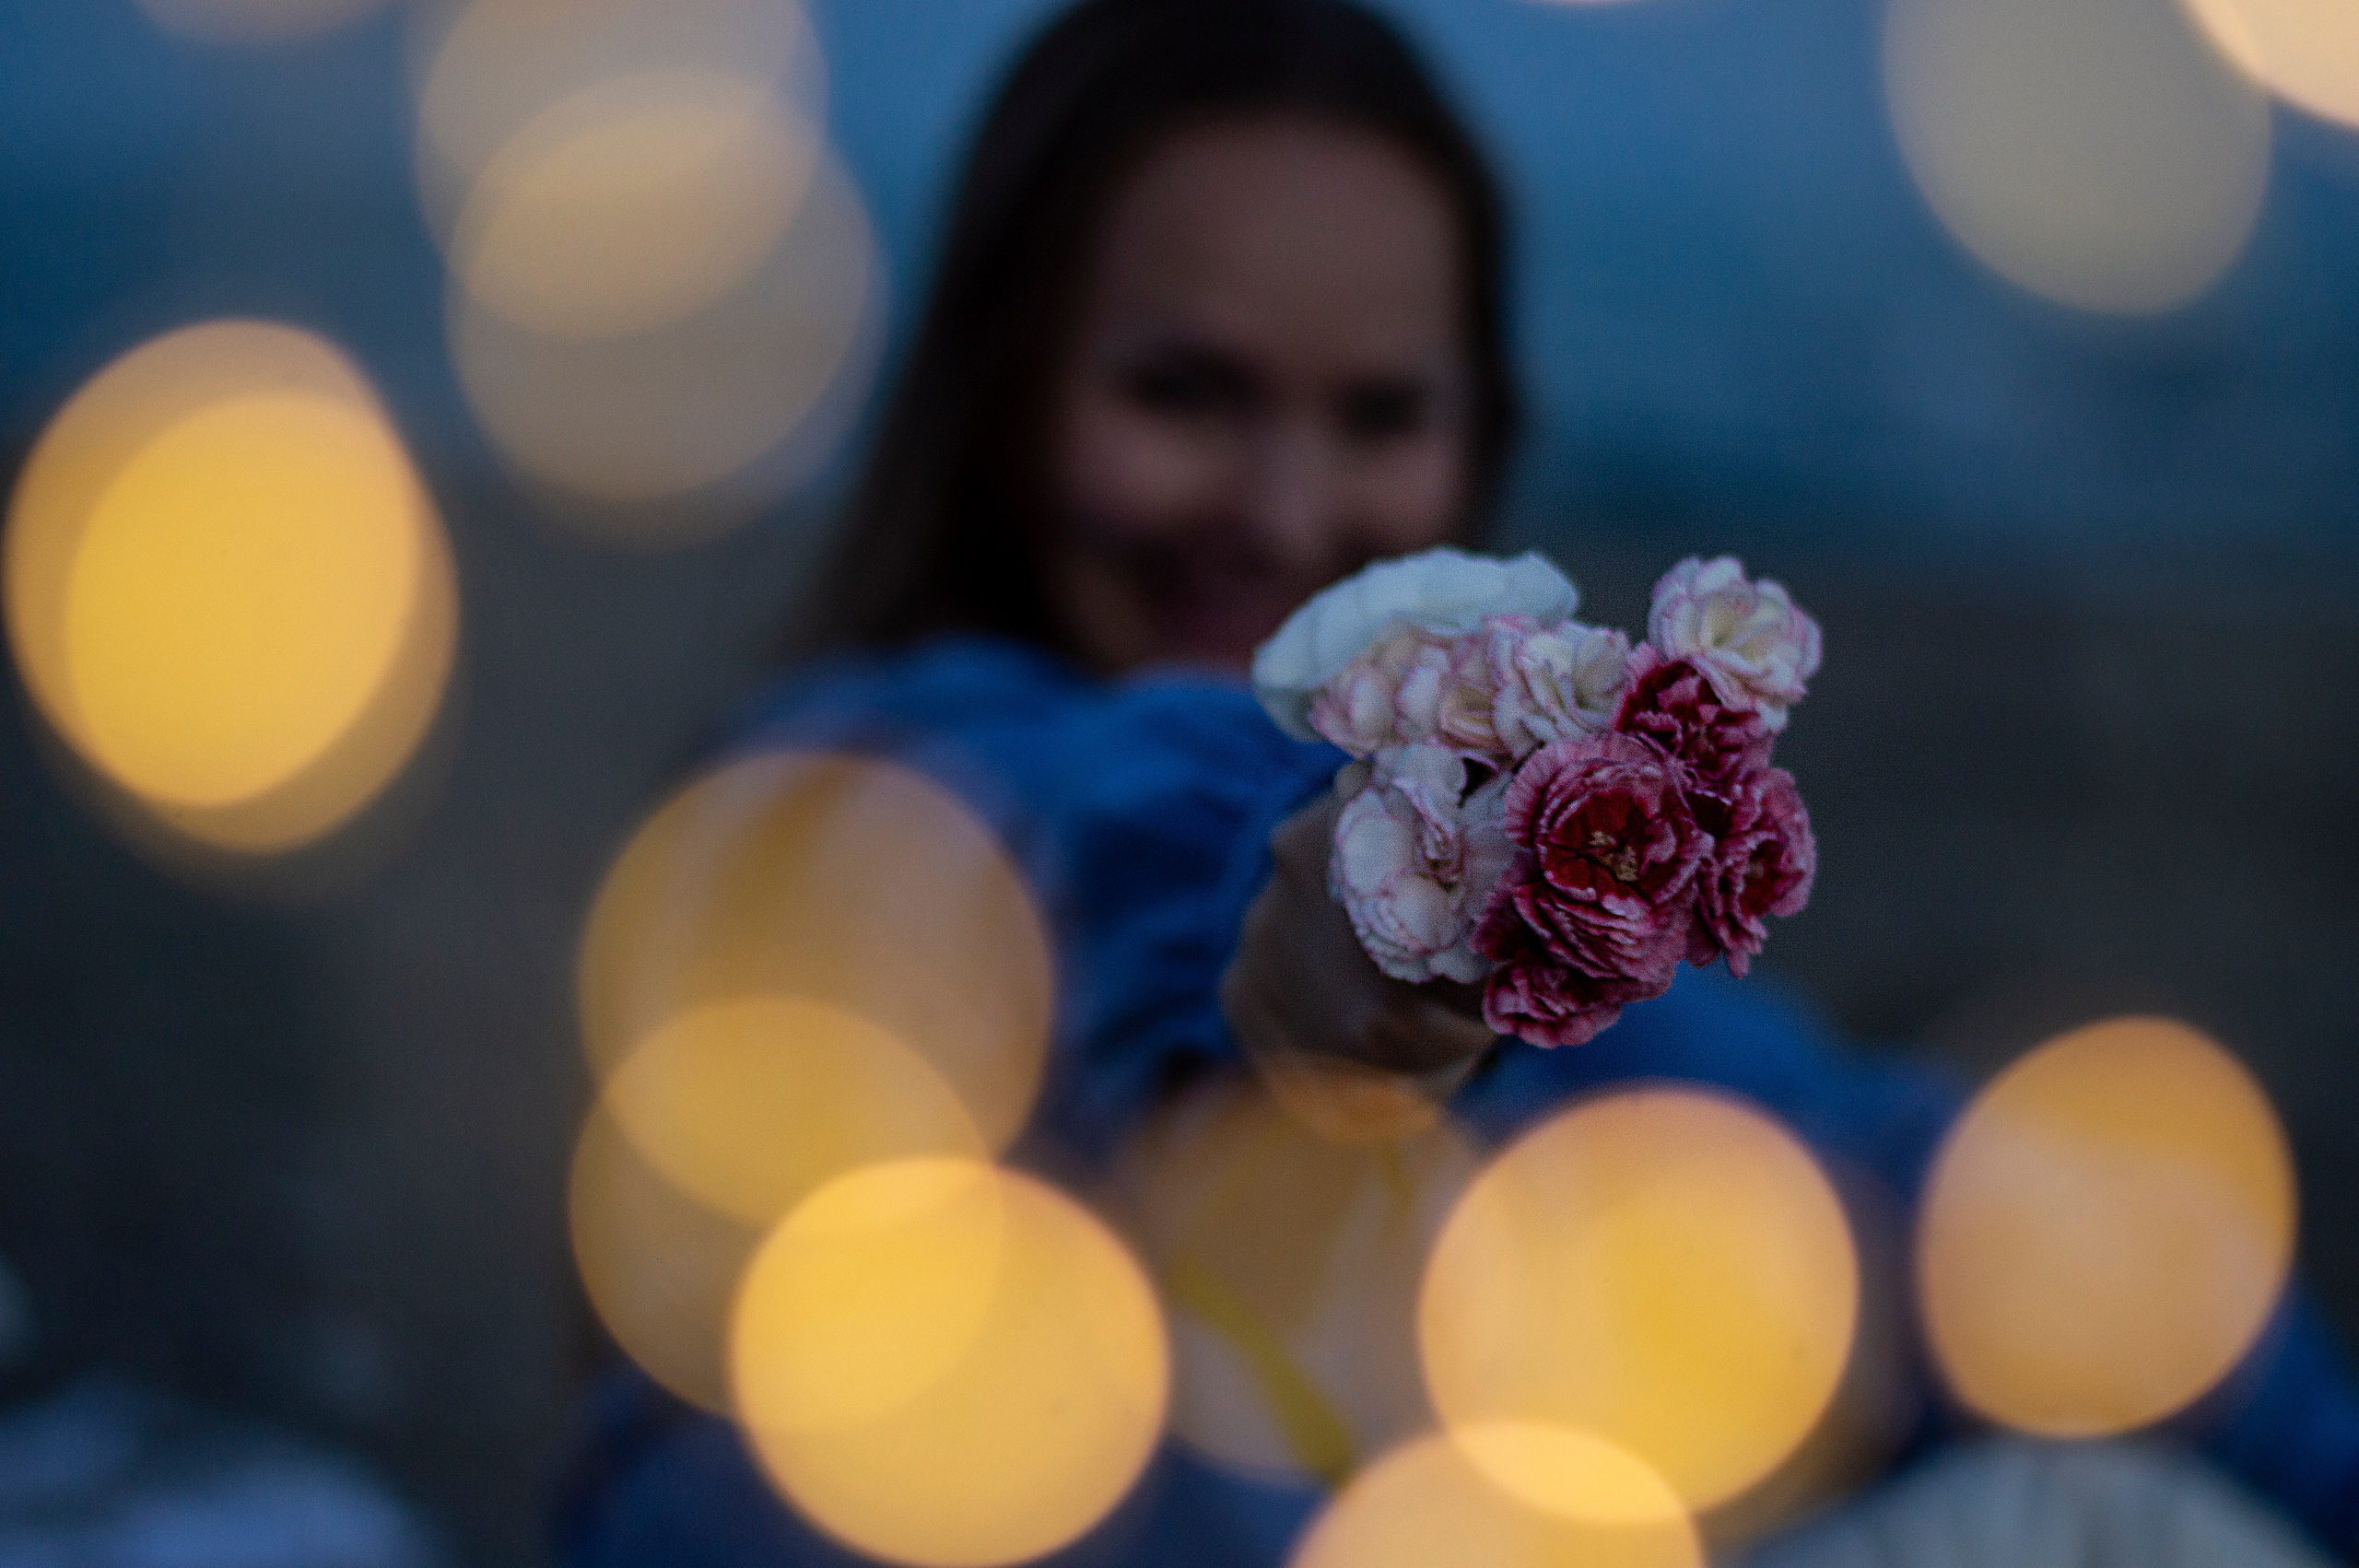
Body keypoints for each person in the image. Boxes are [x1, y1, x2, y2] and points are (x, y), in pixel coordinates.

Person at [556, 1, 2359, 1563]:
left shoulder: (1589, 1039)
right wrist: (1350, 917)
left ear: (1481, 439)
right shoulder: (845, 797)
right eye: (1181, 390)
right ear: (997, 396)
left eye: (1376, 417)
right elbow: (1111, 833)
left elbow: (1980, 1210)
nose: (1278, 510)